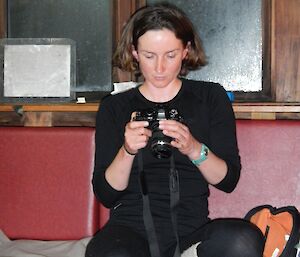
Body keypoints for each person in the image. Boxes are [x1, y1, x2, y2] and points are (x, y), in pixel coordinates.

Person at [85, 3, 264, 257]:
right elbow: (106, 195)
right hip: (129, 232)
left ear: (186, 51)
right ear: (134, 52)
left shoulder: (210, 97)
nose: (159, 68)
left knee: (242, 240)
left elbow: (228, 180)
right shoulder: (115, 106)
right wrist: (127, 150)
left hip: (192, 230)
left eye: (170, 55)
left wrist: (194, 148)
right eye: (149, 56)